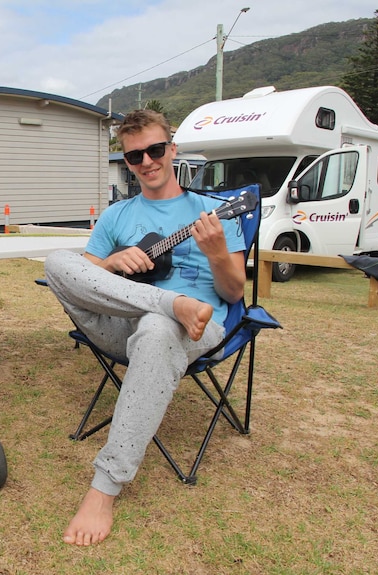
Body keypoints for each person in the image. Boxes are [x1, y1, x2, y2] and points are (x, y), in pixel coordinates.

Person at [43, 109, 247, 546]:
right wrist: (112, 262)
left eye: (156, 150)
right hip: (123, 318)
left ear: (172, 150)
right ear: (128, 161)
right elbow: (85, 274)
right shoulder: (118, 215)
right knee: (57, 261)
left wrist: (215, 254)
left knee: (158, 328)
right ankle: (171, 303)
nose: (147, 162)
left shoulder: (216, 213)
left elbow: (233, 294)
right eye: (135, 156)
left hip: (194, 327)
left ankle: (104, 487)